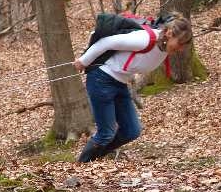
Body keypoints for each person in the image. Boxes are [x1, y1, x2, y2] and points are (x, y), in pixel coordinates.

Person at [73, 12, 193, 162]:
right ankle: (82, 164)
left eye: (184, 45)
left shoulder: (164, 48)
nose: (181, 49)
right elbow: (107, 42)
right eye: (180, 43)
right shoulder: (145, 39)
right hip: (101, 79)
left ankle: (96, 159)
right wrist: (84, 60)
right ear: (169, 33)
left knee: (132, 130)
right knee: (106, 133)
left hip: (119, 83)